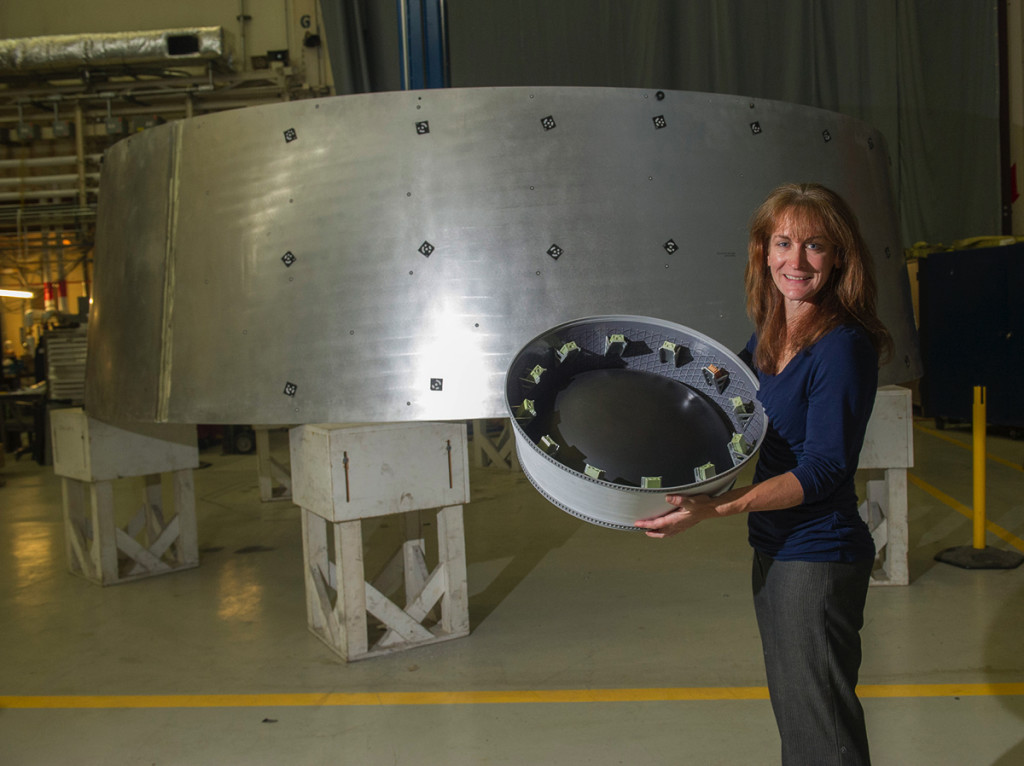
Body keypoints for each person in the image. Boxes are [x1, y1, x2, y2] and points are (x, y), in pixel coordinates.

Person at [635, 182, 893, 766]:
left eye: (815, 246)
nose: (795, 262)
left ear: (839, 257)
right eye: (783, 243)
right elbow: (721, 415)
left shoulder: (841, 347)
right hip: (776, 547)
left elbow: (825, 468)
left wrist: (715, 509)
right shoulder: (771, 334)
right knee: (801, 723)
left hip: (817, 555)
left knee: (822, 733)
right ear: (763, 250)